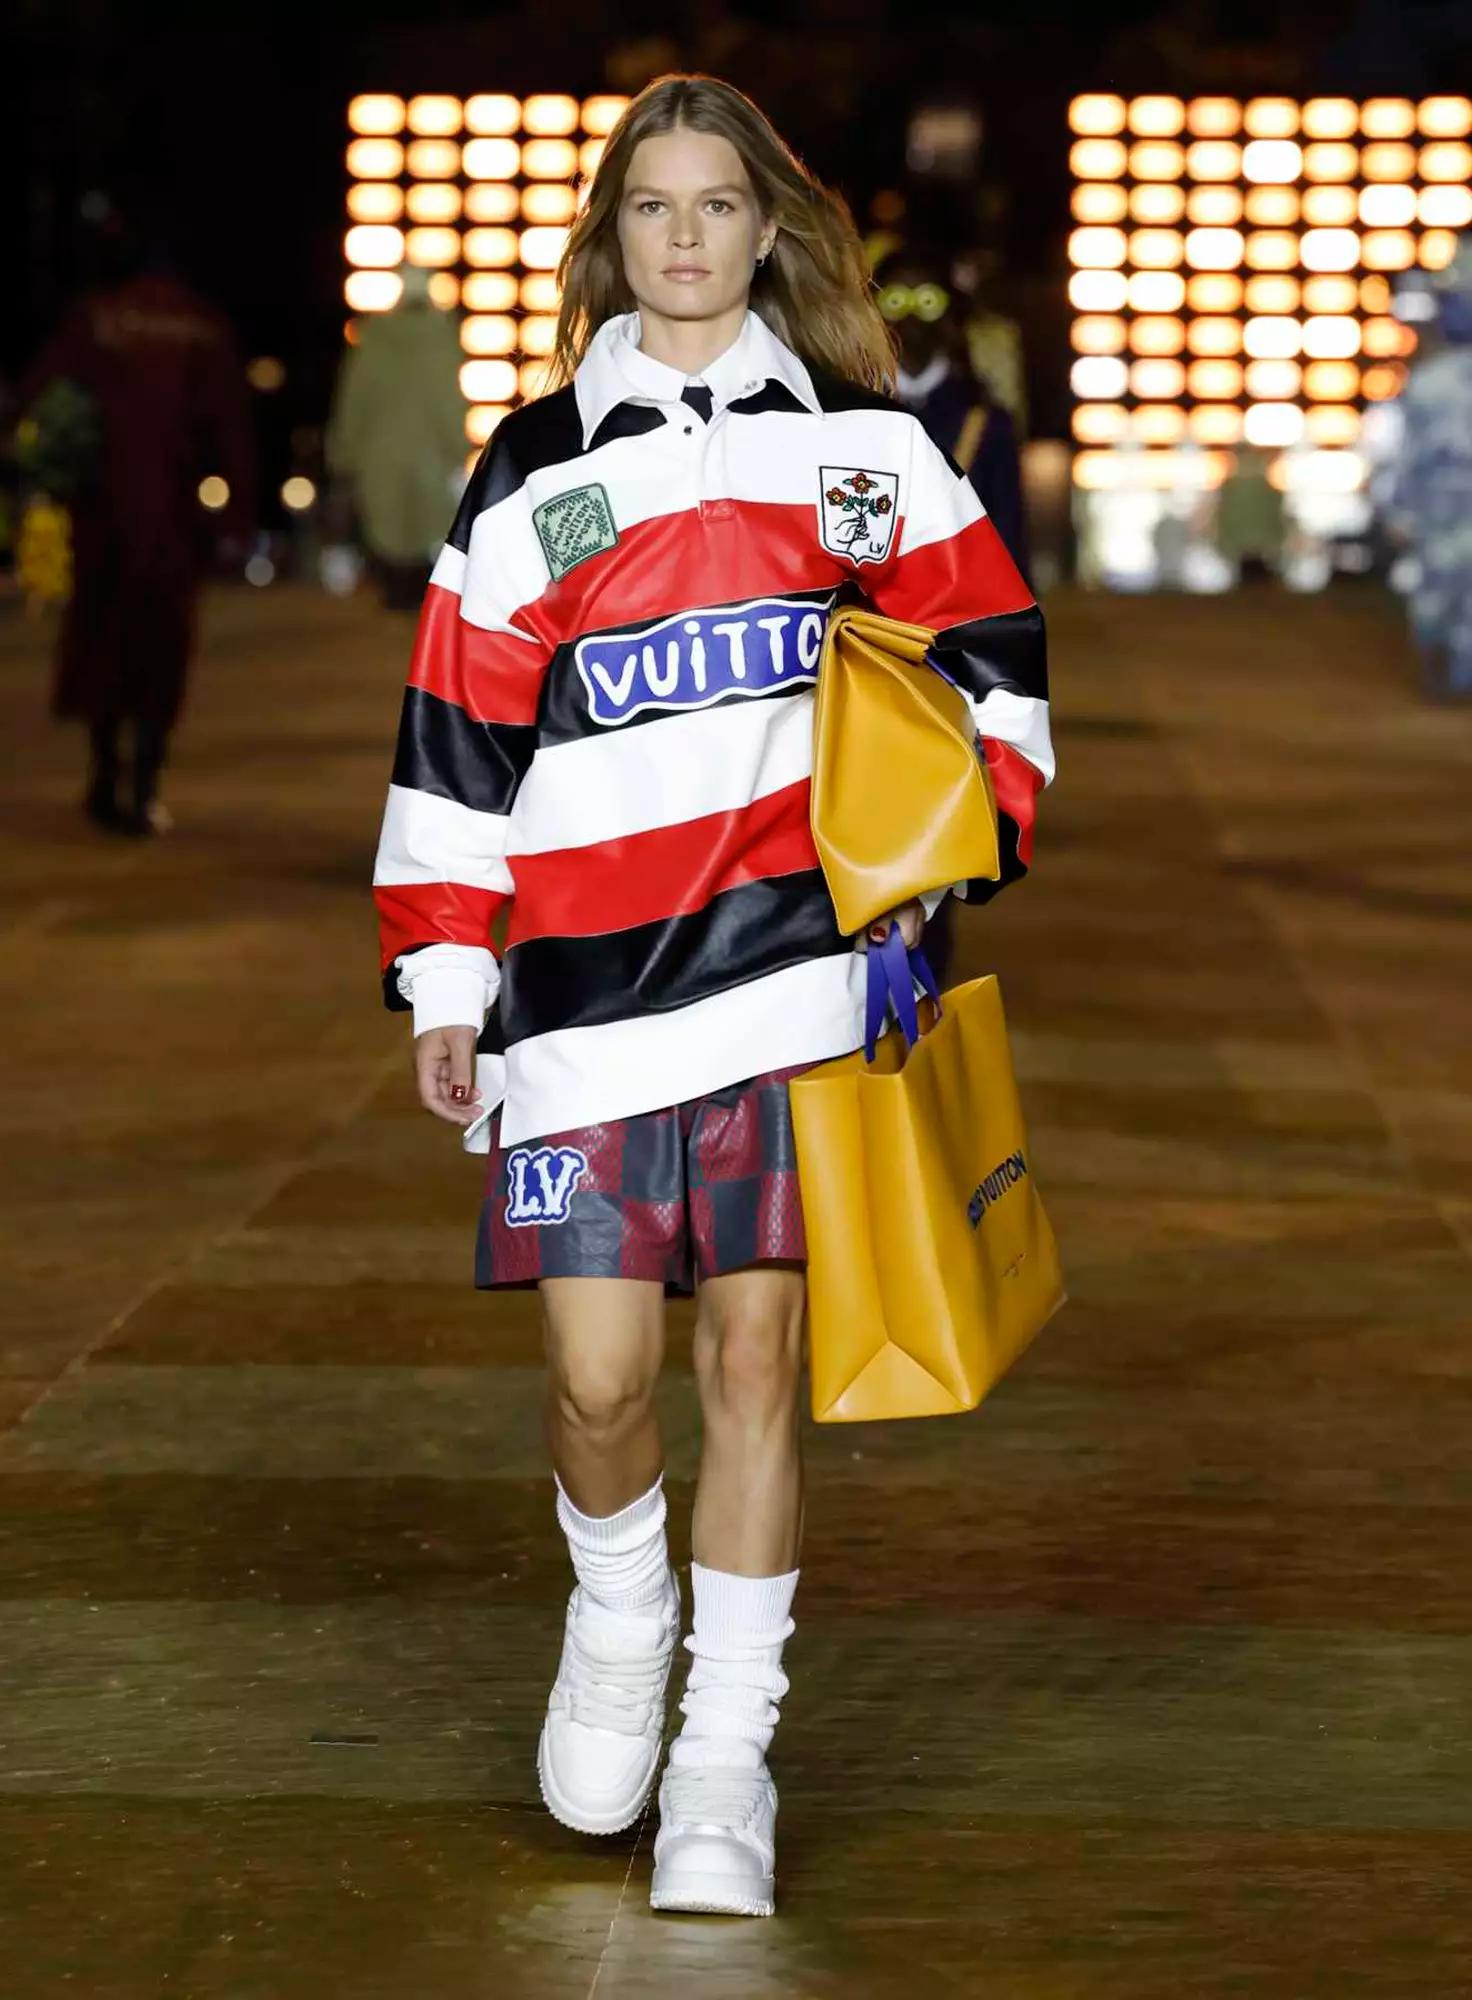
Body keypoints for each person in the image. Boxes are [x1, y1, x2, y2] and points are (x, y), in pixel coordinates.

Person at [372, 73, 1052, 1919]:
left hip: (792, 986)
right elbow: (456, 733)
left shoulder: (865, 450)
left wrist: (945, 851)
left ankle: (724, 1764)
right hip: (578, 1004)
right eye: (654, 207)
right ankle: (618, 1624)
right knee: (597, 1386)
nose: (686, 238)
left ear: (770, 232)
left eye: (719, 205)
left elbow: (995, 661)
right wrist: (446, 973)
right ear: (614, 238)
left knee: (755, 1363)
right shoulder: (534, 471)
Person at [26, 221, 253, 834]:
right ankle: (146, 783)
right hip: (171, 521)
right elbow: (229, 428)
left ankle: (104, 774)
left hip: (99, 514)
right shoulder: (201, 326)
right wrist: (236, 518)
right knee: (160, 647)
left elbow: (43, 396)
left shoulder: (95, 318)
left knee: (100, 641)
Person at [877, 245, 1028, 576]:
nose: (911, 316)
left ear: (949, 315)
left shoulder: (986, 423)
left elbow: (1009, 543)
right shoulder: (851, 414)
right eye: (895, 300)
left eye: (928, 301)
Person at [326, 265, 468, 611]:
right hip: (431, 459)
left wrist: (344, 454)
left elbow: (354, 402)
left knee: (389, 535)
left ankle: (396, 598)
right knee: (426, 535)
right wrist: (457, 449)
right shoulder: (441, 339)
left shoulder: (373, 339)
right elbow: (449, 403)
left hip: (379, 456)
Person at [1391, 240, 1472, 698]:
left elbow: (1408, 455)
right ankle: (1444, 672)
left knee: (1440, 599)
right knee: (1437, 601)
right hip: (1443, 508)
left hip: (1442, 508)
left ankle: (1450, 671)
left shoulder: (1430, 381)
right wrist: (1401, 509)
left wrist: (1400, 509)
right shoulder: (1430, 382)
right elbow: (1411, 454)